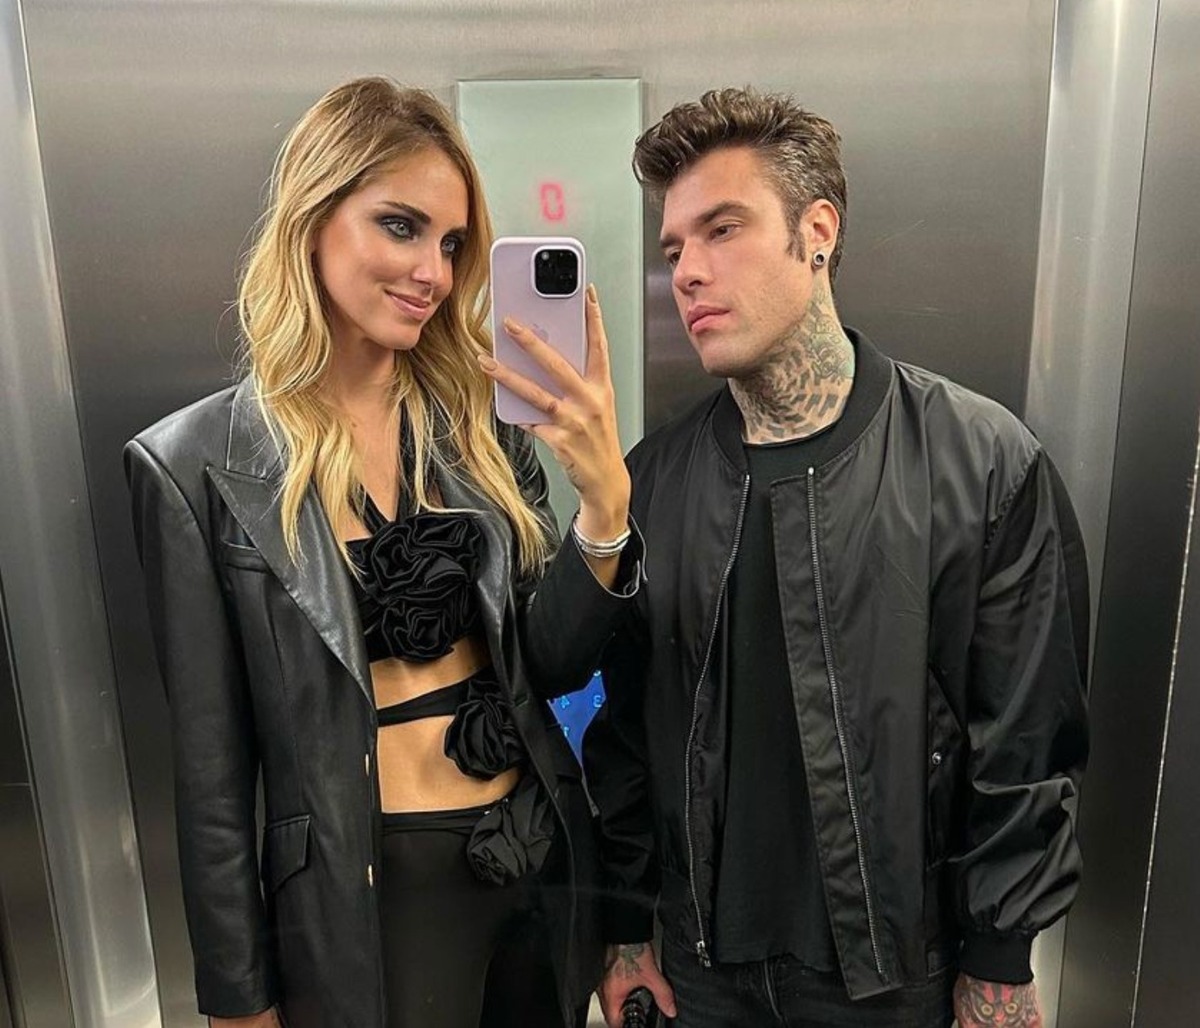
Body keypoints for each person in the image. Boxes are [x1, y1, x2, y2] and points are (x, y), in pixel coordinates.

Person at [125, 76, 640, 1028]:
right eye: (401, 227)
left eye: (451, 244)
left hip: (536, 861)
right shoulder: (196, 465)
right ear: (314, 219)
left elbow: (553, 664)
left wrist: (604, 507)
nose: (432, 272)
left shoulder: (481, 428)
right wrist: (238, 998)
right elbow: (210, 775)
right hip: (369, 903)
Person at [580, 88, 1090, 1028]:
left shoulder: (981, 465)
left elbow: (1023, 742)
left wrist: (998, 966)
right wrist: (625, 929)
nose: (688, 272)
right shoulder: (651, 481)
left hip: (897, 977)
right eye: (674, 248)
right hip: (699, 974)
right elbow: (626, 736)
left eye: (722, 229)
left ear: (816, 232)